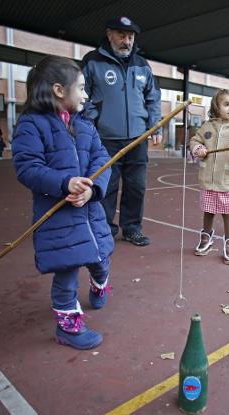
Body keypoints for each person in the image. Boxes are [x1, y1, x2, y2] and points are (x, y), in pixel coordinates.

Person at [11, 56, 113, 350]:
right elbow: (27, 167)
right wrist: (64, 183)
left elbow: (102, 160)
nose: (85, 95)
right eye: (80, 88)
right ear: (58, 90)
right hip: (58, 217)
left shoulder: (85, 125)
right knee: (67, 270)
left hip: (91, 213)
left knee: (101, 258)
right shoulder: (32, 124)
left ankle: (99, 283)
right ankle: (68, 327)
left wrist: (92, 190)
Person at [82, 16, 161, 247]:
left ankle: (132, 229)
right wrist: (92, 123)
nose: (126, 41)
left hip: (138, 138)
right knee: (106, 186)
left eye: (130, 36)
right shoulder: (92, 61)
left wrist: (155, 125)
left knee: (136, 186)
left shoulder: (142, 65)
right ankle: (104, 229)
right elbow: (82, 95)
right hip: (105, 139)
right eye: (121, 35)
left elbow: (153, 97)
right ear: (109, 34)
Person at [190, 89, 229, 264]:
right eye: (226, 104)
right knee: (208, 211)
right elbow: (195, 141)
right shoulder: (207, 127)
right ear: (217, 107)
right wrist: (197, 149)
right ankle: (206, 237)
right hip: (208, 180)